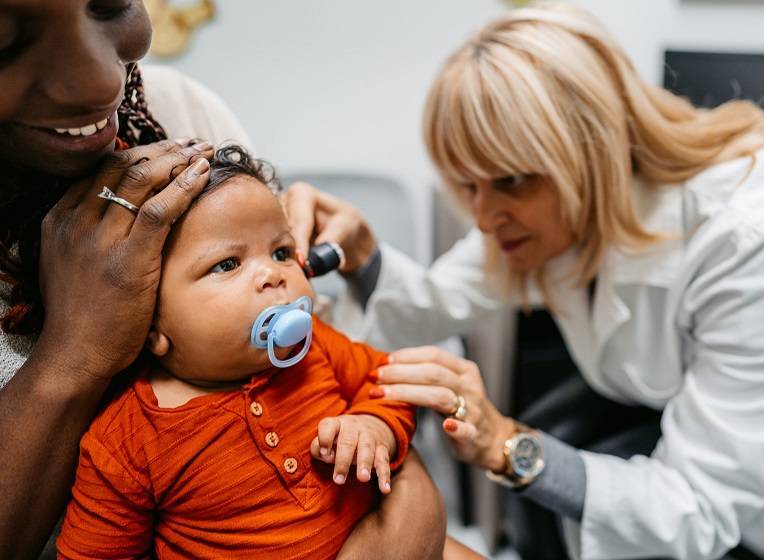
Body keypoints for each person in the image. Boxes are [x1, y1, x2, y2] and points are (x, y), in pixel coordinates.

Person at [285, 2, 764, 559]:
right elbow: (434, 300)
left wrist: (504, 443)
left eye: (510, 181)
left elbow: (699, 505)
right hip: (662, 420)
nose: (483, 218)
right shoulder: (548, 206)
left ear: (591, 154)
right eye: (468, 185)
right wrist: (360, 256)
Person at [0, 2, 444, 558]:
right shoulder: (131, 442)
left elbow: (383, 387)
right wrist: (75, 352)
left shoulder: (180, 115)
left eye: (111, 3)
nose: (99, 81)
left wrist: (379, 437)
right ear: (150, 328)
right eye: (5, 40)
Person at [56, 145, 417, 559]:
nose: (273, 275)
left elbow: (391, 381)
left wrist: (375, 426)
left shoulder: (316, 344)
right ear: (150, 322)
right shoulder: (127, 442)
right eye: (228, 264)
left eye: (281, 253)